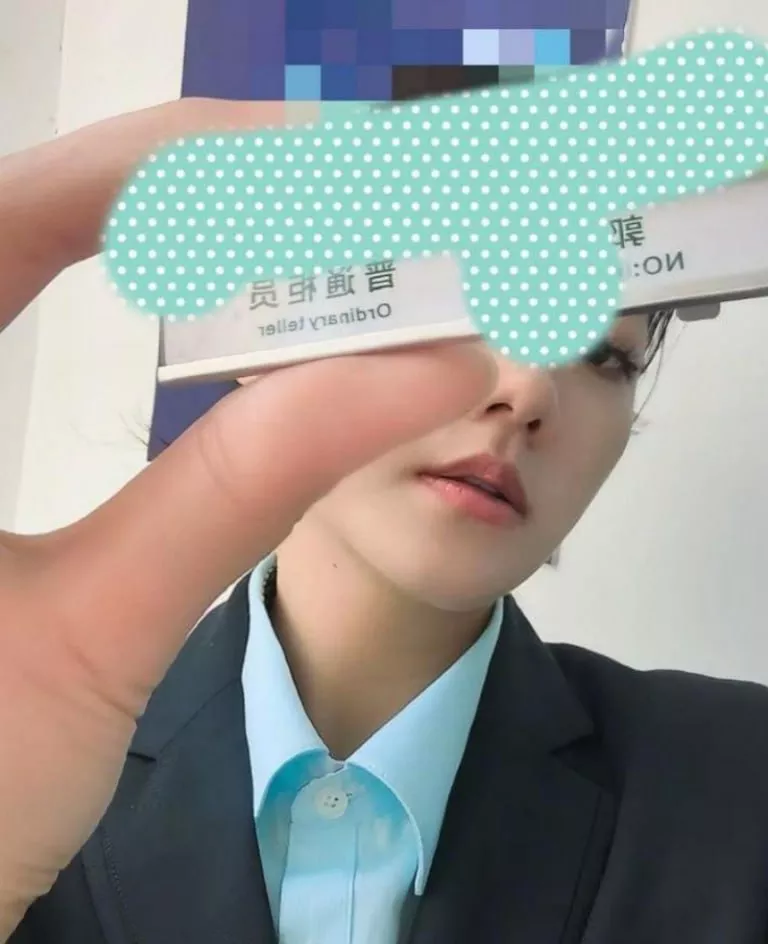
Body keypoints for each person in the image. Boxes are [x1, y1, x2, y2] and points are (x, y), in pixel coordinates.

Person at [1, 95, 768, 944]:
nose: (529, 389)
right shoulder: (29, 755)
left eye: (604, 355)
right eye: (462, 294)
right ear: (261, 322)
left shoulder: (739, 785)